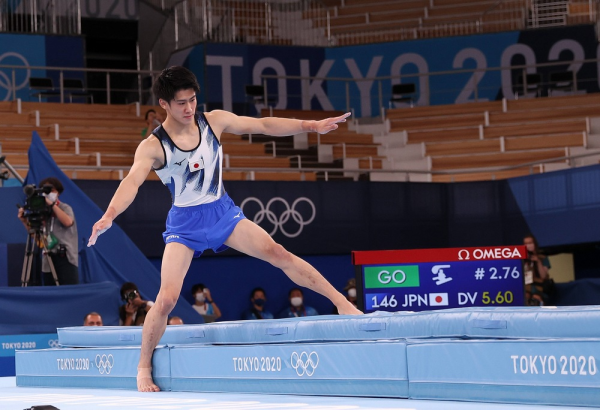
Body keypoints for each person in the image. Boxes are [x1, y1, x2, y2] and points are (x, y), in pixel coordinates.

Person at [88, 65, 362, 392]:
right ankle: (143, 366)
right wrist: (110, 214)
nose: (189, 108)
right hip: (184, 224)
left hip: (222, 213)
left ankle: (342, 303)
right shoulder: (153, 146)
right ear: (163, 104)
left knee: (278, 252)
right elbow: (132, 182)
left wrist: (310, 126)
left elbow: (262, 125)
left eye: (192, 100)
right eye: (181, 103)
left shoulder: (213, 121)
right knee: (167, 298)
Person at [17, 177, 79, 286]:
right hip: (48, 259)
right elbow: (38, 240)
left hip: (65, 258)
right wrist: (24, 221)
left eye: (51, 190)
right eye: (45, 191)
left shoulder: (65, 207)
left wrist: (51, 204)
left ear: (58, 192)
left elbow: (68, 222)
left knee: (68, 291)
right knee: (50, 292)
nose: (48, 193)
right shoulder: (42, 212)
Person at [523, 234, 554, 306]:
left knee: (536, 298)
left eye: (530, 243)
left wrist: (538, 262)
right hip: (526, 287)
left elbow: (543, 276)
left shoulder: (542, 257)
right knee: (525, 297)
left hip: (540, 288)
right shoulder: (521, 259)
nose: (528, 245)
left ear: (535, 244)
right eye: (526, 243)